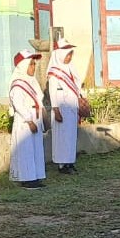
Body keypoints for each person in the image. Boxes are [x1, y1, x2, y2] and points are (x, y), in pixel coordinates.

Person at [9, 49, 46, 189]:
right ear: (23, 65)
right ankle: (27, 178)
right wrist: (29, 120)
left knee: (36, 149)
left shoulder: (32, 81)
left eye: (34, 64)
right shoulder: (18, 83)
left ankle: (35, 176)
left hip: (35, 117)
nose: (33, 67)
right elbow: (18, 104)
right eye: (31, 64)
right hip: (25, 121)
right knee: (26, 150)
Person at [46, 37, 81, 174]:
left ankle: (70, 161)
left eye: (71, 54)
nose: (69, 57)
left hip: (71, 107)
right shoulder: (54, 72)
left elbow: (77, 84)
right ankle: (62, 164)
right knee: (62, 137)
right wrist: (56, 109)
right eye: (67, 54)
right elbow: (52, 91)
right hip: (61, 109)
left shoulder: (71, 67)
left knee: (71, 136)